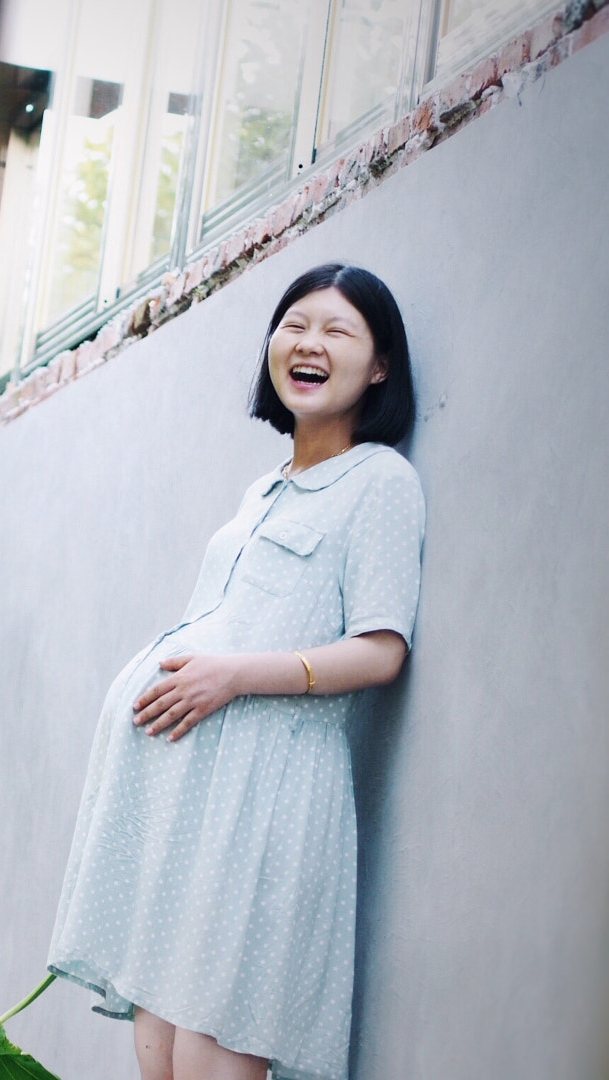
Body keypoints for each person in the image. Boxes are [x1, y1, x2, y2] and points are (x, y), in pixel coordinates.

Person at [46, 264, 424, 1080]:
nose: (309, 344)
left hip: (269, 805)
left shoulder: (380, 482)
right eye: (295, 325)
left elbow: (381, 649)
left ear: (380, 366)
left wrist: (233, 676)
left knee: (212, 1056)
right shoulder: (263, 492)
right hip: (193, 810)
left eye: (337, 331)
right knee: (160, 1051)